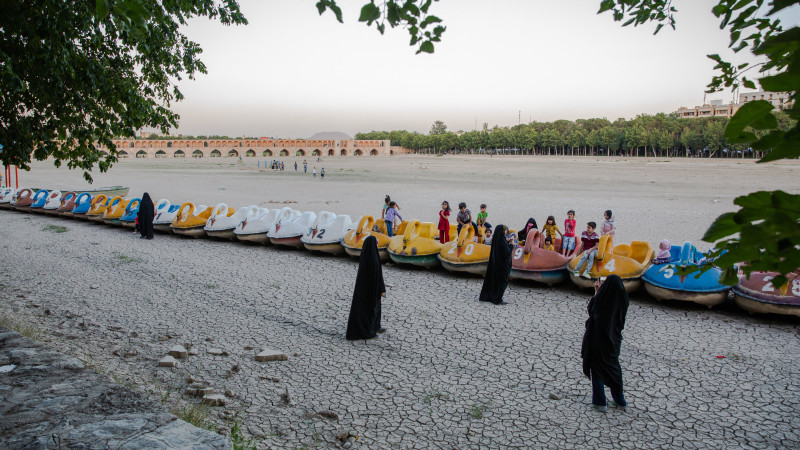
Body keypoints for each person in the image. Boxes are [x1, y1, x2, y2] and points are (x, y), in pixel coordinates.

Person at [581, 275, 629, 412]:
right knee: (614, 369)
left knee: (597, 369)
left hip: (599, 341)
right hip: (614, 341)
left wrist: (597, 292)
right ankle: (620, 401)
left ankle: (600, 402)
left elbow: (592, 310)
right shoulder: (622, 301)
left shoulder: (603, 300)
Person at [346, 236, 386, 340]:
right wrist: (381, 289)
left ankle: (375, 327)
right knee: (371, 310)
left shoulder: (367, 255)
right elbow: (377, 275)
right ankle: (368, 331)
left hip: (368, 290)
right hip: (371, 291)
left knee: (375, 309)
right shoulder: (373, 258)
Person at [479, 224, 513, 305]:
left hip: (496, 265)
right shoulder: (502, 242)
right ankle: (498, 299)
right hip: (503, 266)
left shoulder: (497, 240)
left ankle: (491, 296)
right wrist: (511, 244)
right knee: (503, 282)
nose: (506, 231)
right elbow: (507, 253)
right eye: (505, 230)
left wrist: (507, 242)